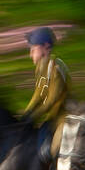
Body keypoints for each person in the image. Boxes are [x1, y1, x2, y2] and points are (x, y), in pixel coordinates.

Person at [21, 27, 72, 158]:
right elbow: (39, 94)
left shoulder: (56, 67)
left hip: (64, 117)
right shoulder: (41, 68)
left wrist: (35, 115)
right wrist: (26, 113)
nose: (30, 54)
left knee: (55, 150)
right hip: (51, 118)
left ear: (46, 47)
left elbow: (52, 99)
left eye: (33, 50)